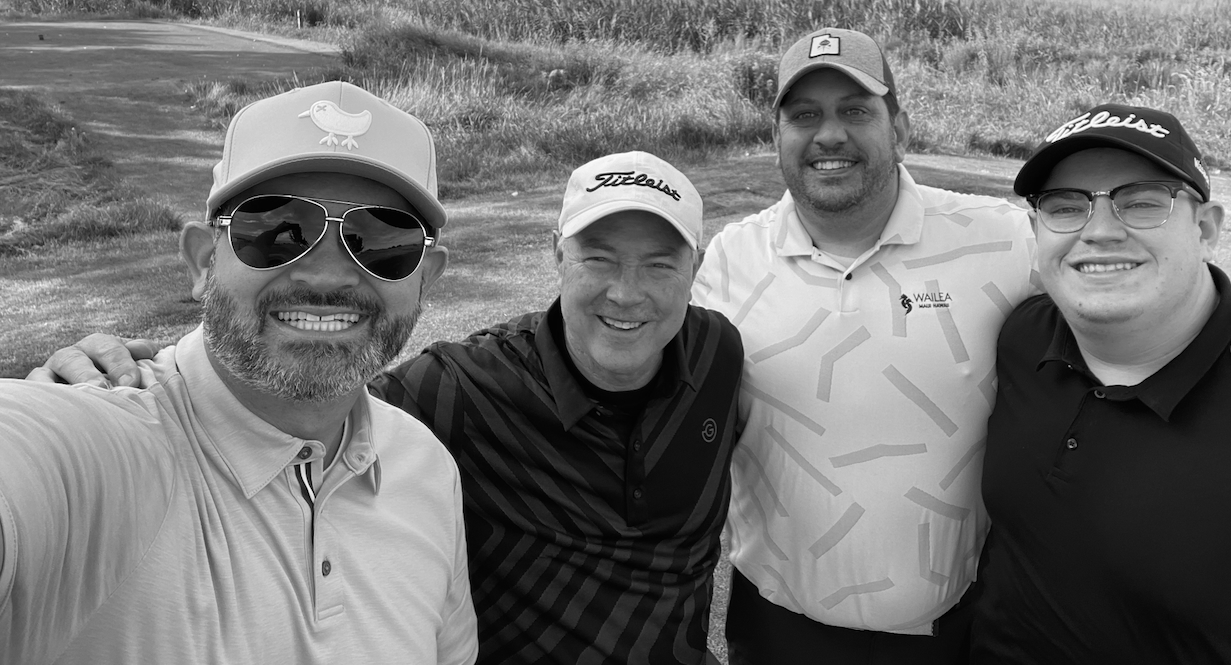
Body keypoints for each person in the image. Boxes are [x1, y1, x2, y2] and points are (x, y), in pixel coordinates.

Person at [689, 28, 1231, 665]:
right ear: (776, 136)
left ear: (901, 128)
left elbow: (1122, 272)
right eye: (803, 115)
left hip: (954, 632)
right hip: (777, 624)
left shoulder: (1001, 239)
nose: (829, 134)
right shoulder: (730, 260)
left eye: (856, 110)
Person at [32, 150, 743, 665]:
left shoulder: (717, 356)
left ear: (695, 270)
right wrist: (170, 365)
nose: (627, 293)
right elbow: (308, 384)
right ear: (556, 256)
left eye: (660, 264)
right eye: (598, 258)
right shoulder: (460, 388)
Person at [0, 81, 477, 665]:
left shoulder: (425, 469)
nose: (327, 278)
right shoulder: (96, 443)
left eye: (382, 241)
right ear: (204, 261)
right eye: (276, 230)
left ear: (427, 278)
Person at [969, 104, 1231, 663]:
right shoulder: (1020, 338)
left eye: (1141, 203)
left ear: (1205, 228)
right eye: (1065, 208)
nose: (1101, 232)